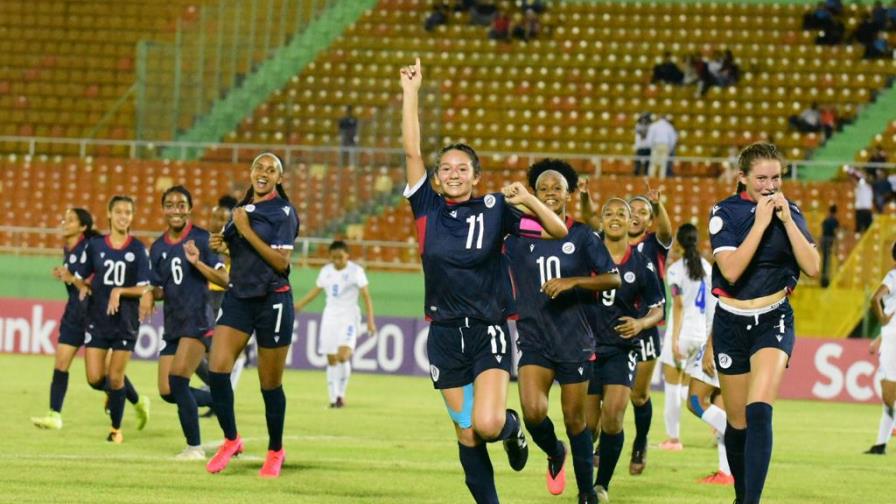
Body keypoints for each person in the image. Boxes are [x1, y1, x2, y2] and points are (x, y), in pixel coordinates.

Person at [400, 58, 569, 503]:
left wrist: (529, 198)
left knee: (489, 425)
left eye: (462, 169)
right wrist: (411, 92)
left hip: (488, 329)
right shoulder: (426, 209)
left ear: (476, 177)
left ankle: (513, 430)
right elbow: (412, 152)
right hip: (443, 334)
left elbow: (558, 231)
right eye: (446, 169)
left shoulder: (495, 209)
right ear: (435, 180)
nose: (453, 174)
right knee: (467, 434)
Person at [708, 142, 819, 503]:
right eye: (761, 178)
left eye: (776, 177)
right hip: (731, 324)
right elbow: (732, 270)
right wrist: (760, 222)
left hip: (773, 318)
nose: (770, 186)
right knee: (736, 423)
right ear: (742, 178)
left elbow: (814, 268)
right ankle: (743, 495)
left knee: (759, 410)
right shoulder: (724, 213)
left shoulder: (792, 211)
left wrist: (786, 221)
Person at [506, 159, 620, 504]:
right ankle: (555, 452)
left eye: (557, 188)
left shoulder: (584, 235)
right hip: (534, 335)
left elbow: (612, 277)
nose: (551, 193)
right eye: (543, 189)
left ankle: (586, 493)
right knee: (533, 412)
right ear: (533, 194)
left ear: (569, 193)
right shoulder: (515, 236)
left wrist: (573, 282)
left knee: (576, 421)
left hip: (575, 338)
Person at [205, 152, 300, 478]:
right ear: (251, 172)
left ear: (278, 179)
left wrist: (244, 230)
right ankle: (231, 440)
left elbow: (281, 263)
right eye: (260, 166)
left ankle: (275, 450)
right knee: (218, 370)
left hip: (272, 301)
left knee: (269, 384)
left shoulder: (283, 212)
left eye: (271, 169)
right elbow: (242, 251)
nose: (264, 172)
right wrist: (226, 245)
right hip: (239, 297)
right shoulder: (242, 210)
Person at [31, 209, 148, 430]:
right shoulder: (69, 249)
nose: (64, 222)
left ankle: (136, 400)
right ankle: (54, 414)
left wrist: (71, 278)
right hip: (74, 313)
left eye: (70, 219)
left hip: (94, 315)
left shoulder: (92, 247)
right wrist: (67, 277)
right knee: (61, 362)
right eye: (64, 217)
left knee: (102, 376)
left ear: (82, 227)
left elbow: (94, 287)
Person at [586, 198, 665, 503]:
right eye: (609, 212)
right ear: (601, 220)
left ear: (631, 220)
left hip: (621, 349)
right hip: (588, 349)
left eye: (622, 213)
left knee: (614, 418)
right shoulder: (587, 254)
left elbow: (658, 308)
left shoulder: (642, 262)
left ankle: (601, 485)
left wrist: (641, 324)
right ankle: (582, 476)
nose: (615, 217)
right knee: (587, 426)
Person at [148, 186, 229, 460]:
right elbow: (160, 288)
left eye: (181, 204)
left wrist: (198, 264)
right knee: (167, 391)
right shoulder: (158, 247)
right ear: (164, 210)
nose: (175, 209)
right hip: (173, 324)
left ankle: (194, 447)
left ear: (189, 209)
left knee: (178, 381)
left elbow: (224, 280)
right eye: (170, 204)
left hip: (197, 320)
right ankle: (219, 400)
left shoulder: (203, 239)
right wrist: (149, 294)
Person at [67, 196, 154, 443]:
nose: (123, 216)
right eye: (118, 211)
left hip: (125, 321)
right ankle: (128, 397)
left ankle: (116, 429)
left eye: (128, 212)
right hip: (98, 318)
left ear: (132, 216)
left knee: (116, 377)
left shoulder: (137, 249)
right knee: (95, 378)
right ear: (109, 214)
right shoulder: (95, 246)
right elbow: (82, 277)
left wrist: (120, 291)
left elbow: (145, 288)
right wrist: (78, 284)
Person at [294, 240, 377, 408]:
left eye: (340, 257)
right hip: (330, 317)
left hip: (349, 317)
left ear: (347, 255)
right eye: (334, 258)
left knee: (343, 356)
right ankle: (333, 399)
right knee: (331, 358)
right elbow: (315, 291)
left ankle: (341, 394)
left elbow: (366, 296)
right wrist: (299, 305)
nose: (337, 261)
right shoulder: (326, 271)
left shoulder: (356, 271)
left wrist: (370, 320)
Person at [625, 186, 673, 474]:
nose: (637, 216)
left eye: (644, 213)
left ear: (648, 220)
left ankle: (640, 442)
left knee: (638, 396)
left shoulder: (655, 244)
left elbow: (668, 232)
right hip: (612, 327)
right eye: (633, 210)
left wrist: (658, 205)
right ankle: (602, 443)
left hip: (646, 327)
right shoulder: (610, 242)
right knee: (608, 392)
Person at [656, 224, 712, 453]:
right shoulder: (708, 268)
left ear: (678, 243)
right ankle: (718, 424)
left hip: (682, 333)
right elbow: (711, 306)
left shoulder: (675, 270)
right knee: (688, 389)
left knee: (672, 387)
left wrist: (674, 340)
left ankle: (673, 439)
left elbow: (677, 305)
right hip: (701, 334)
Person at [684, 324, 735, 485]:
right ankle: (726, 473)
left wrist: (710, 347)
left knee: (695, 401)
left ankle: (742, 434)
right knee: (720, 404)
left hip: (718, 341)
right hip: (726, 339)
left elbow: (721, 309)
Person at [865, 241, 896, 454]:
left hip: (893, 338)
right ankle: (880, 444)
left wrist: (883, 320)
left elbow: (874, 299)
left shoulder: (893, 276)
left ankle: (881, 443)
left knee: (887, 394)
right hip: (890, 336)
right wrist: (880, 337)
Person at [820, 204, 839, 287]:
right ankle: (826, 281)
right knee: (827, 262)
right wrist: (837, 245)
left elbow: (822, 232)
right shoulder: (834, 221)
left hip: (824, 241)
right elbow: (835, 232)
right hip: (829, 243)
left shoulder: (825, 220)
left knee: (824, 262)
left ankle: (823, 280)